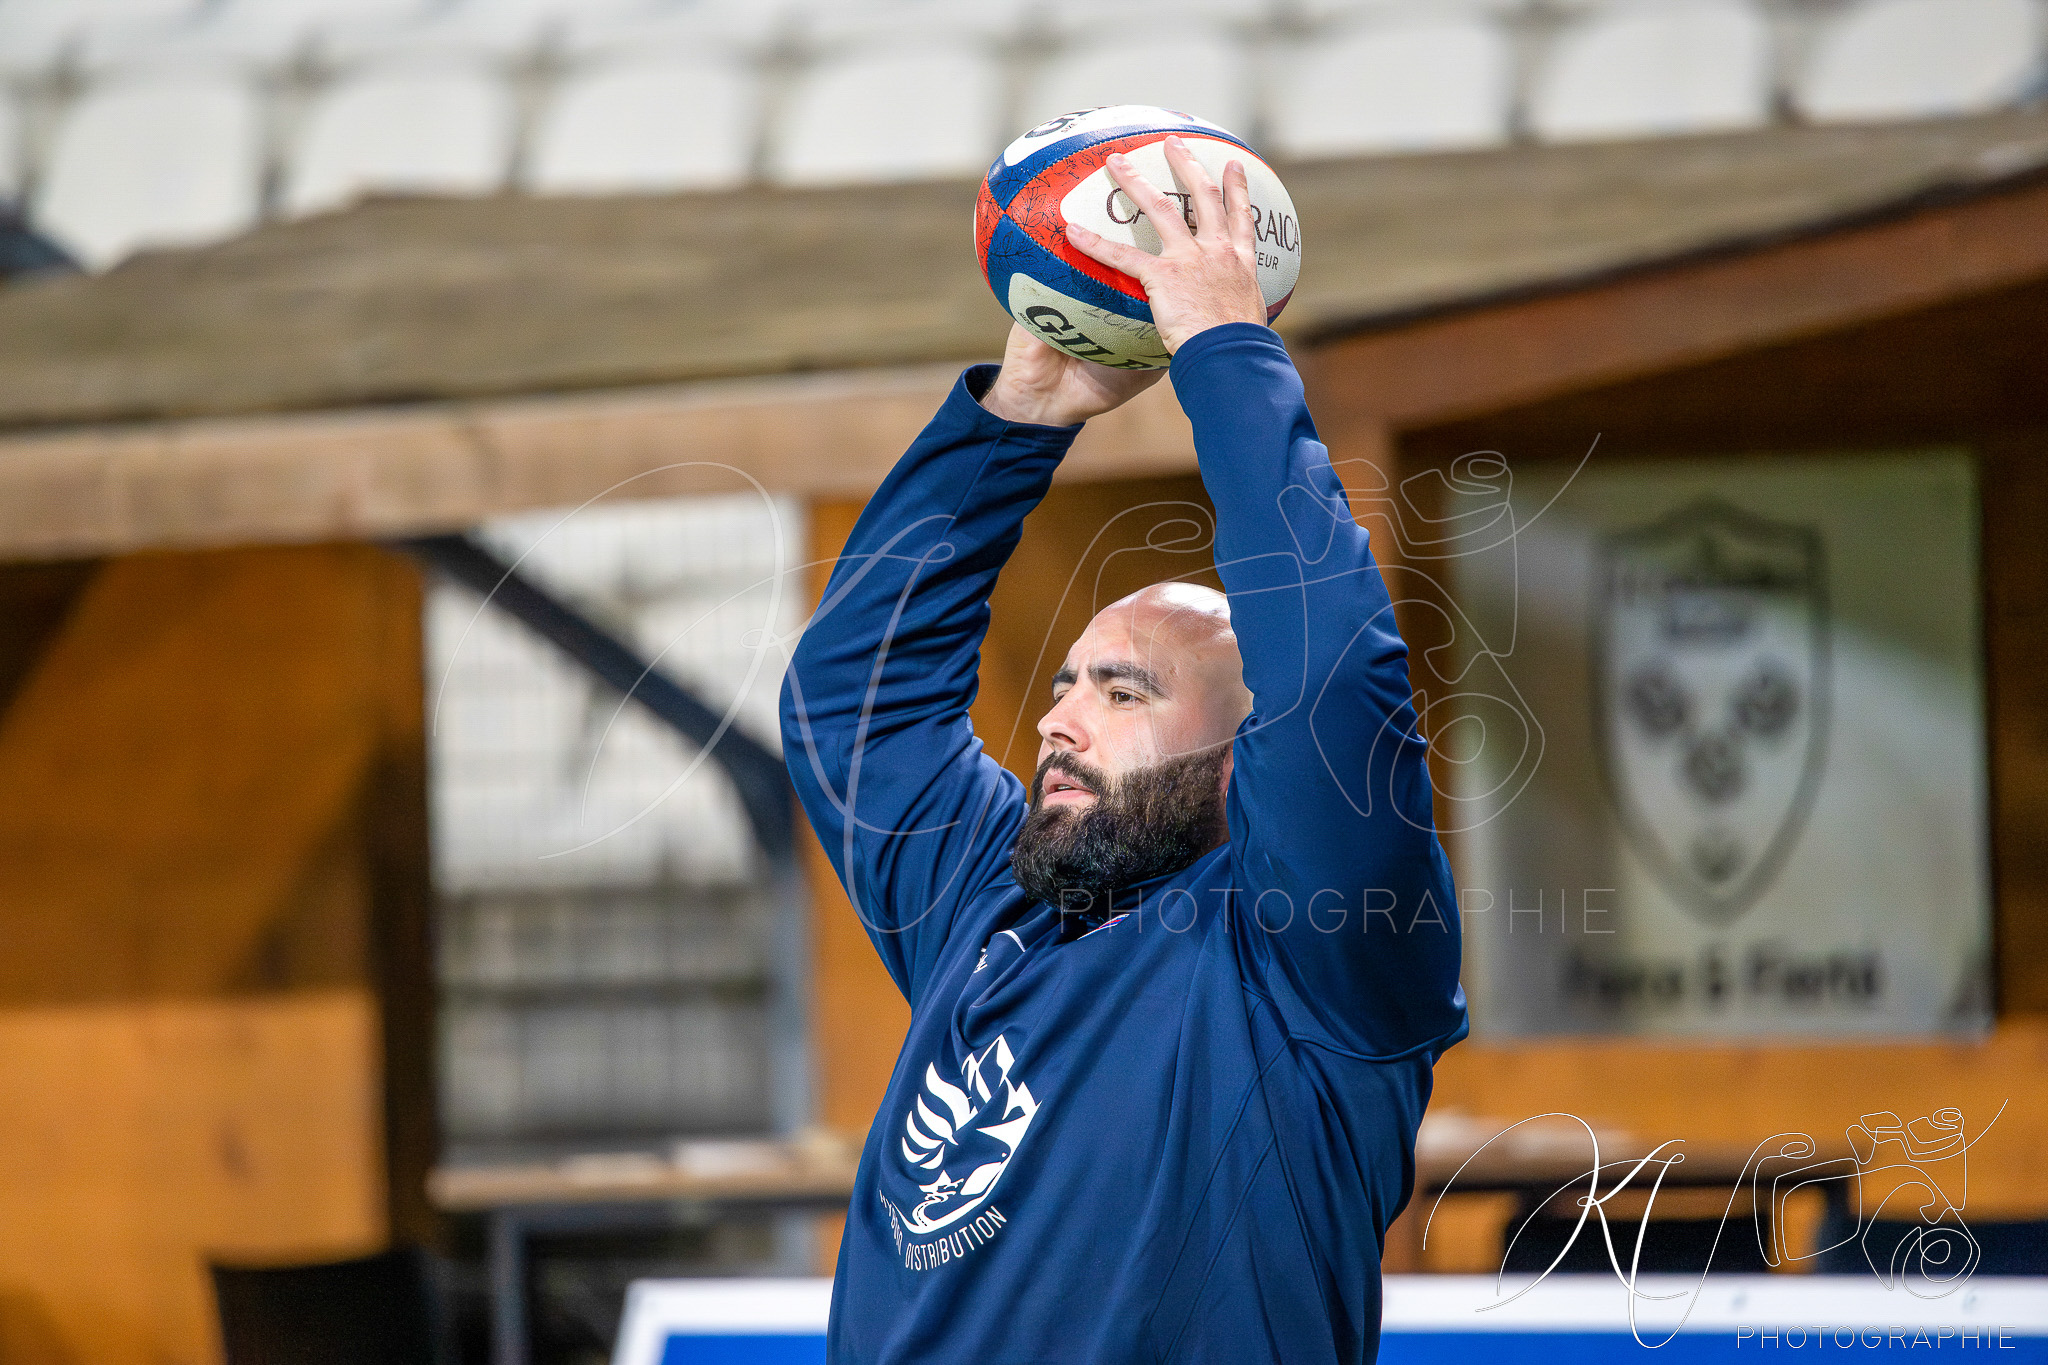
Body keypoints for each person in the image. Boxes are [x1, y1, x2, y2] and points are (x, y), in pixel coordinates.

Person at [780, 137, 1467, 1365]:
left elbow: (1330, 684)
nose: (1058, 716)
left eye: (1123, 688)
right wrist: (1018, 417)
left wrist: (1223, 354)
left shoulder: (1314, 967)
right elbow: (853, 704)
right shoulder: (985, 908)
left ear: (1244, 761)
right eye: (1063, 682)